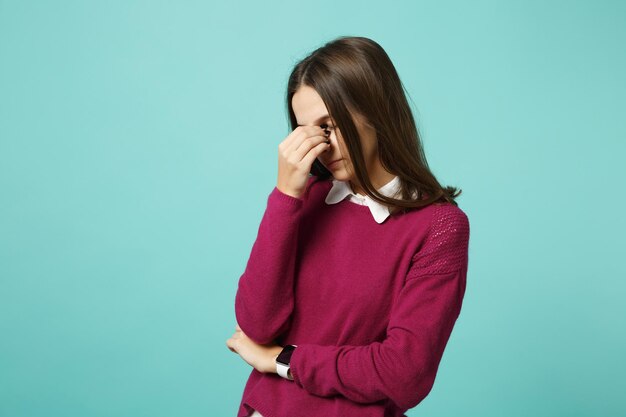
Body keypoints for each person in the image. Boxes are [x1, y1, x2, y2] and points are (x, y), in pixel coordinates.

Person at [226, 36, 470, 417]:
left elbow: (403, 373)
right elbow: (256, 325)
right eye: (307, 130)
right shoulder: (302, 202)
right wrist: (285, 195)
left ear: (376, 112)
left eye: (329, 125)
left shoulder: (438, 227)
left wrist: (282, 360)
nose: (320, 146)